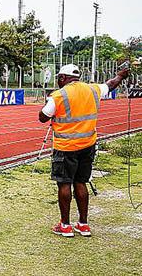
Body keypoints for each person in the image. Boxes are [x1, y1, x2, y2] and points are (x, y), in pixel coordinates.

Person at [39, 64, 129, 237]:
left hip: (65, 147)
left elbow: (42, 117)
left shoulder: (58, 95)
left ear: (62, 78)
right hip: (88, 145)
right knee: (81, 182)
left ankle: (65, 226)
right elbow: (110, 84)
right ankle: (83, 224)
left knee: (64, 183)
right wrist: (121, 75)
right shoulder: (93, 89)